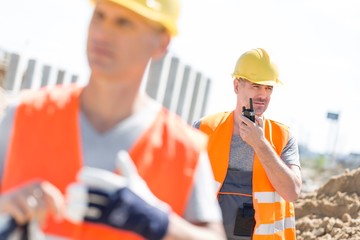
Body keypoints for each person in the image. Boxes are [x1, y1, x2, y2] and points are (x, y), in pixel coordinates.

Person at [0, 0, 226, 239]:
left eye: (123, 22)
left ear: (161, 43)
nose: (102, 32)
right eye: (99, 15)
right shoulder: (23, 115)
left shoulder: (183, 150)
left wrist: (158, 221)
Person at [193, 48, 302, 240]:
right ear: (237, 86)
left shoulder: (282, 136)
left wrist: (260, 144)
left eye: (268, 88)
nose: (263, 95)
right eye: (256, 86)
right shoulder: (204, 129)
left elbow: (292, 192)